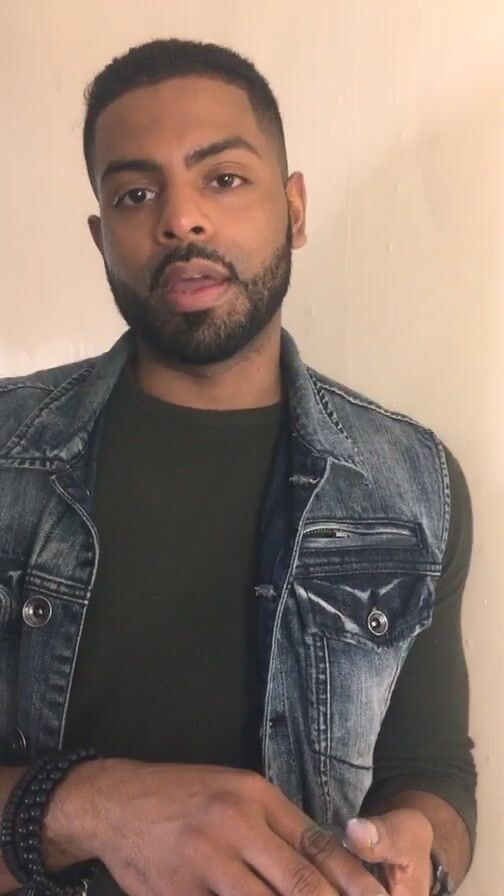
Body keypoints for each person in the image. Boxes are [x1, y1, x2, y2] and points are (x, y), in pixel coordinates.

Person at [0, 39, 475, 896]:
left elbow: (433, 772)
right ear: (101, 238)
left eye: (222, 178)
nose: (181, 220)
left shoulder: (415, 482)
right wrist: (92, 808)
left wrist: (422, 852)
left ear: (294, 209)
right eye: (136, 193)